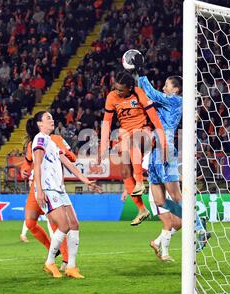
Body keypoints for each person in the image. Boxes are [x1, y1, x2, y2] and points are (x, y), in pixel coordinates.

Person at [133, 56, 210, 255]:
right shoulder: (165, 104)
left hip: (165, 148)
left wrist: (141, 72)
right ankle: (197, 223)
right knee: (159, 201)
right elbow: (146, 98)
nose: (164, 88)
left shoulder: (175, 100)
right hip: (155, 151)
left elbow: (150, 92)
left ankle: (199, 229)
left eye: (167, 85)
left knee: (175, 196)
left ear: (175, 89)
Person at [29, 111, 102, 279]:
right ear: (40, 124)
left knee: (74, 224)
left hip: (59, 188)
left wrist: (86, 180)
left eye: (52, 118)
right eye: (48, 118)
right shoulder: (39, 139)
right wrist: (39, 190)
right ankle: (49, 262)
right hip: (47, 189)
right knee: (63, 226)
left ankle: (71, 267)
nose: (52, 120)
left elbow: (68, 163)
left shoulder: (52, 142)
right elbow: (38, 165)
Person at [98, 71, 168, 226]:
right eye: (115, 88)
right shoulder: (111, 97)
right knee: (124, 172)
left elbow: (154, 118)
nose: (117, 92)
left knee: (133, 139)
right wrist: (103, 145)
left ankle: (140, 182)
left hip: (145, 132)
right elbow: (106, 123)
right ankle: (142, 210)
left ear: (130, 88)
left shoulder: (139, 93)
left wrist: (163, 139)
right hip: (126, 135)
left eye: (121, 89)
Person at [19, 129, 77, 271]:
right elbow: (27, 163)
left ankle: (65, 260)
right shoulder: (33, 143)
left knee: (57, 225)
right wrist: (23, 170)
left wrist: (63, 151)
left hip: (52, 187)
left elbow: (73, 158)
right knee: (30, 222)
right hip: (35, 188)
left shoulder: (57, 139)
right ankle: (52, 249)